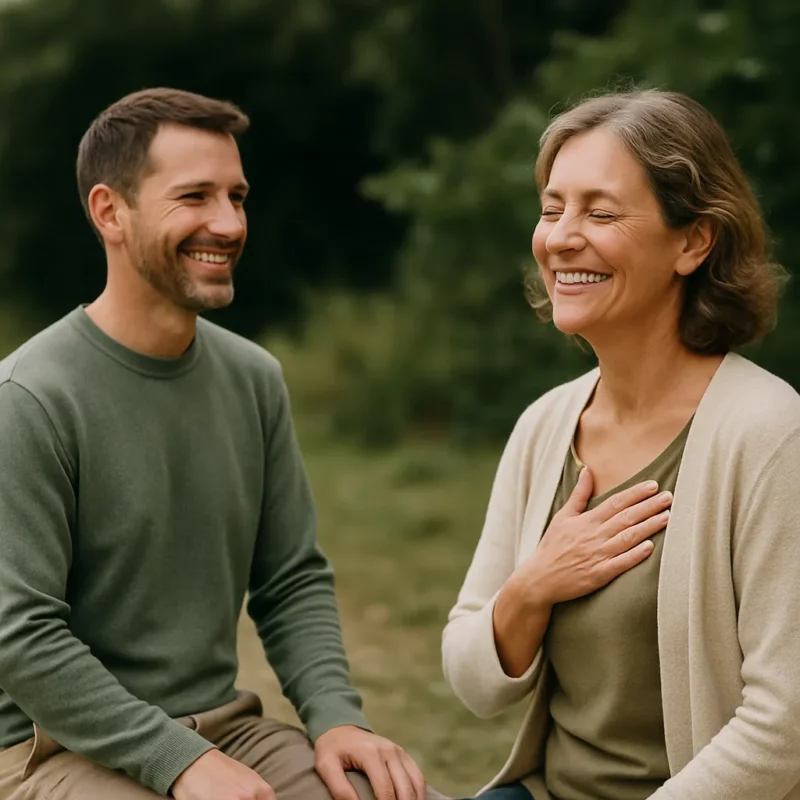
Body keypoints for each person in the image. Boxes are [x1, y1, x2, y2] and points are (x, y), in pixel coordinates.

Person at [0, 88, 446, 800]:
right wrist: (174, 759)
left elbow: (291, 579)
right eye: (196, 196)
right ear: (110, 212)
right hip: (53, 749)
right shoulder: (28, 398)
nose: (229, 222)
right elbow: (19, 636)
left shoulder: (254, 379)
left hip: (226, 730)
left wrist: (336, 720)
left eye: (237, 196)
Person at [442, 89, 800, 800]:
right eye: (552, 210)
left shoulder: (770, 434)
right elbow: (473, 679)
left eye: (600, 213)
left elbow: (783, 726)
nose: (562, 237)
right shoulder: (546, 425)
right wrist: (534, 585)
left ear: (693, 241)